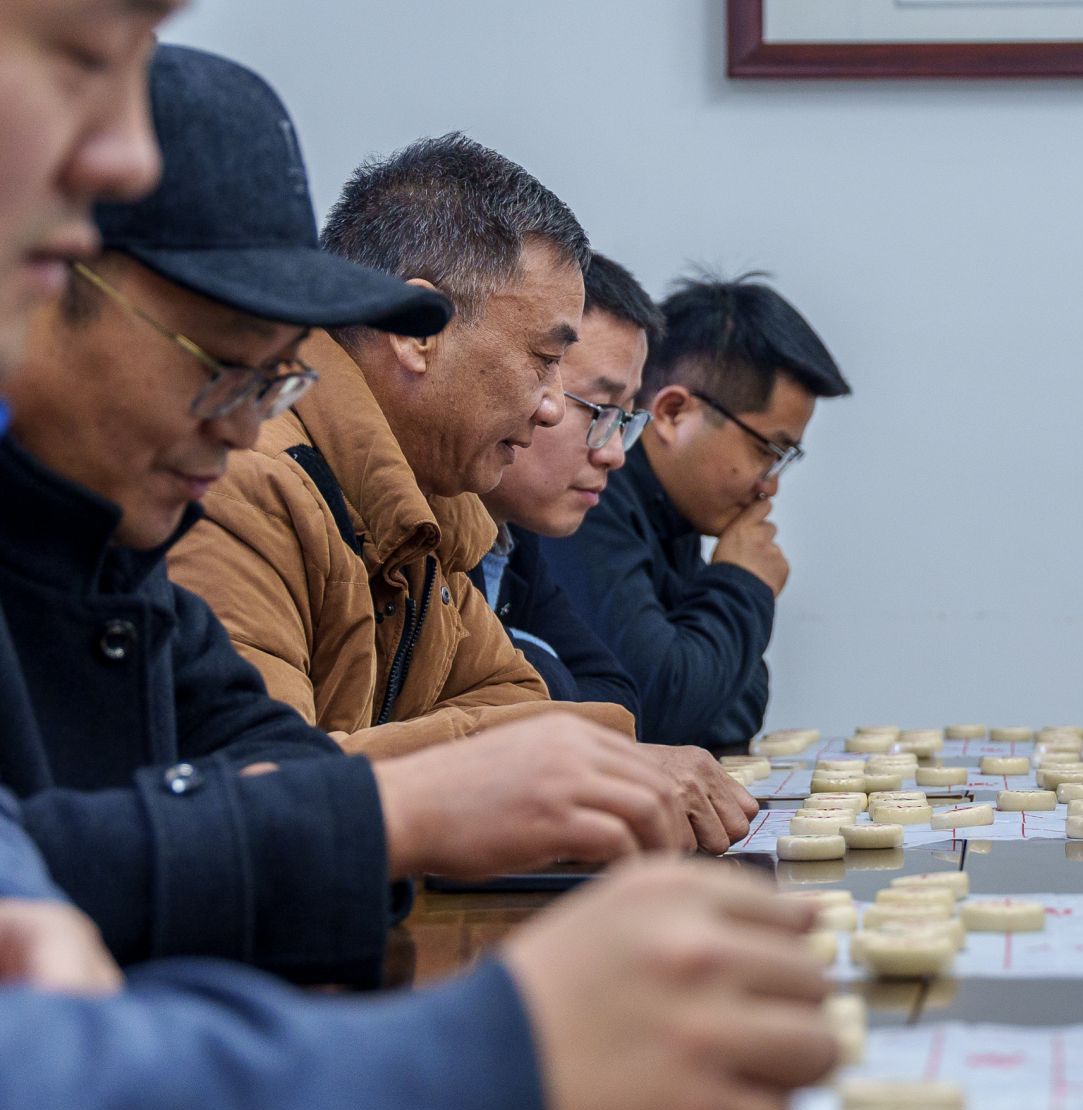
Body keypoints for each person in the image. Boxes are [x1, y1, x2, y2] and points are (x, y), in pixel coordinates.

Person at [0, 8, 834, 1110]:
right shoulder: (235, 492)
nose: (563, 412)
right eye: (224, 371)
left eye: (268, 383)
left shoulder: (132, 541)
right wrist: (415, 830)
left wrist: (376, 803)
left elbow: (277, 770)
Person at [164, 130, 752, 852]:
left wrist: (523, 752)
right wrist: (526, 759)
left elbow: (516, 699)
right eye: (543, 358)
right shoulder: (246, 483)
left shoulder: (434, 507)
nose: (550, 406)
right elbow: (266, 795)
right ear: (417, 330)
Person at [543, 275, 850, 749]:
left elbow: (740, 703)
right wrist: (741, 583)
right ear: (672, 412)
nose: (769, 485)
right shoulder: (586, 496)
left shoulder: (675, 515)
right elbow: (655, 710)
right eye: (768, 450)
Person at [472, 252, 652, 709]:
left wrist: (524, 658)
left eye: (624, 418)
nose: (614, 453)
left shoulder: (512, 541)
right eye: (598, 409)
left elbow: (618, 697)